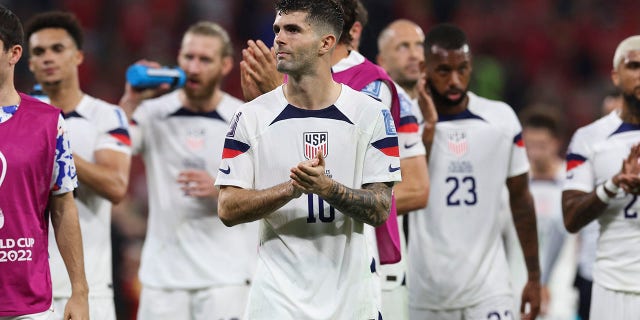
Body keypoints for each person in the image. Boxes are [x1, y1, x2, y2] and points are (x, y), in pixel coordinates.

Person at [215, 0, 401, 318]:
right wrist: (291, 189)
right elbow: (228, 208)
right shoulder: (250, 117)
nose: (279, 39)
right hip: (276, 301)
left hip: (349, 301)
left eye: (293, 30)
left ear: (326, 43)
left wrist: (327, 188)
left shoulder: (371, 115)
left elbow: (381, 208)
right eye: (277, 30)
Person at [118, 21, 257, 320]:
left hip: (225, 278)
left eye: (204, 59)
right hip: (163, 279)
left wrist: (222, 191)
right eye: (188, 57)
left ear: (225, 65)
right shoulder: (152, 113)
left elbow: (270, 188)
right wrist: (130, 100)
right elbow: (114, 152)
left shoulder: (243, 118)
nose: (194, 67)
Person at [407, 23, 541, 320]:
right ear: (423, 68)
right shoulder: (407, 123)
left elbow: (521, 199)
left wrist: (533, 276)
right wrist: (428, 128)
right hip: (427, 291)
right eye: (443, 71)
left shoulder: (501, 119)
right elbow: (402, 193)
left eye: (463, 69)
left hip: (489, 289)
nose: (455, 80)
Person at [24, 11, 132, 320]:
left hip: (89, 290)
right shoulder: (16, 120)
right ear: (29, 63)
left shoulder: (107, 116)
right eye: (39, 52)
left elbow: (115, 186)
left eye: (57, 49)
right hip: (25, 288)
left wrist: (57, 147)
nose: (48, 58)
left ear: (79, 56)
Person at [0, 5, 89, 320]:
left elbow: (63, 205)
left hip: (28, 303)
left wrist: (79, 292)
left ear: (14, 53)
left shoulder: (48, 122)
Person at [562, 35, 640, 320]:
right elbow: (570, 218)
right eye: (634, 66)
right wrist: (612, 185)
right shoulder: (589, 139)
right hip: (610, 287)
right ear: (616, 77)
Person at [376, 18, 438, 320]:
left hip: (429, 268)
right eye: (403, 47)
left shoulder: (431, 113)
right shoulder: (376, 109)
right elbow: (415, 190)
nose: (414, 54)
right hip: (388, 264)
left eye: (418, 46)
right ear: (381, 61)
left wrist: (429, 134)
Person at [504, 106, 578, 319]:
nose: (534, 152)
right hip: (516, 287)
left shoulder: (574, 181)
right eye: (530, 145)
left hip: (562, 291)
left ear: (557, 143)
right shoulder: (511, 183)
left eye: (541, 145)